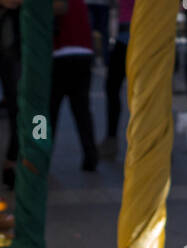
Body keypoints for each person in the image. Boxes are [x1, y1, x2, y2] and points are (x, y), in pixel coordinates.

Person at [51, 0, 98, 170]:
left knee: (47, 113)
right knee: (82, 111)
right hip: (84, 52)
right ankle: (91, 155)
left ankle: (42, 154)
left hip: (59, 55)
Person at [0, 0, 21, 189]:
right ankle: (13, 161)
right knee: (18, 111)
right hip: (12, 51)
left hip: (35, 51)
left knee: (40, 113)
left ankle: (37, 155)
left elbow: (62, 6)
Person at [100, 0, 132, 157]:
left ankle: (112, 139)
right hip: (125, 37)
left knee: (114, 88)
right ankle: (111, 139)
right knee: (112, 88)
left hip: (133, 37)